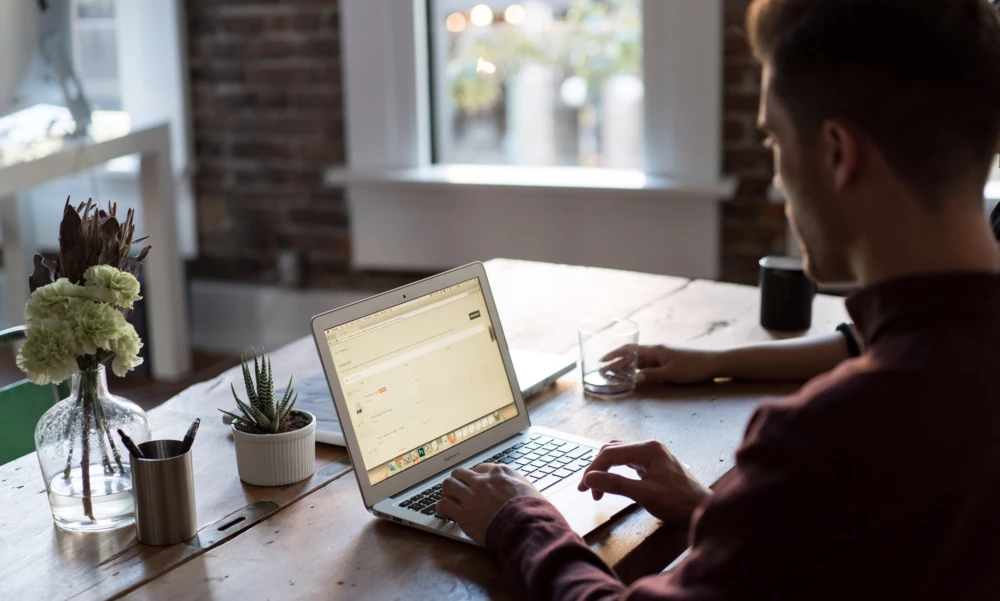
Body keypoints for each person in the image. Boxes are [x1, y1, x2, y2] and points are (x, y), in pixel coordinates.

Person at [435, 1, 1000, 599]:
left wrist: (519, 518)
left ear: (838, 154)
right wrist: (718, 512)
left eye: (776, 141)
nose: (779, 185)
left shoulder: (830, 442)